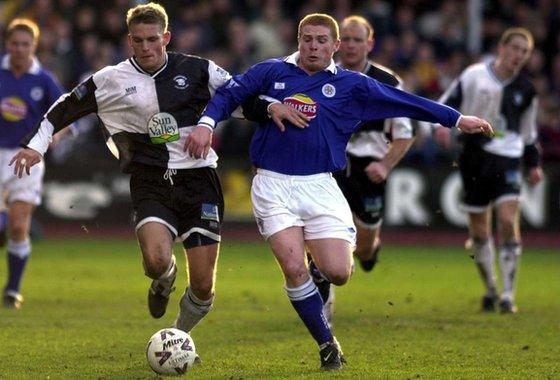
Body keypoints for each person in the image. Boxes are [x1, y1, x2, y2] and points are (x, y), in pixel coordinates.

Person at [185, 13, 493, 370]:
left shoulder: (352, 85)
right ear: (298, 41)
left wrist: (455, 119)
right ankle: (327, 344)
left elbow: (404, 101)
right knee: (292, 267)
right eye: (307, 39)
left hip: (320, 185)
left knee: (339, 273)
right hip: (272, 184)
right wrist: (207, 124)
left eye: (321, 41)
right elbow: (229, 93)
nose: (313, 46)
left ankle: (321, 276)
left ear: (335, 46)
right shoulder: (271, 71)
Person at [9, 3, 272, 337]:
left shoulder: (199, 70)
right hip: (150, 180)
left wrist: (272, 108)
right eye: (138, 41)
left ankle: (178, 335)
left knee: (203, 286)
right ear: (129, 41)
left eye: (152, 40)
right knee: (156, 262)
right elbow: (64, 108)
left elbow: (240, 99)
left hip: (199, 179)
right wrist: (36, 145)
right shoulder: (109, 80)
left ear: (166, 37)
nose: (146, 47)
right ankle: (164, 279)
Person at [308, 15, 417, 327]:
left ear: (370, 43)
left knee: (365, 243)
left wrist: (385, 164)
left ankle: (368, 253)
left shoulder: (388, 81)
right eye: (348, 39)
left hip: (370, 167)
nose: (352, 45)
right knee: (320, 231)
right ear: (339, 43)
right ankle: (323, 302)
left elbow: (405, 133)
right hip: (329, 165)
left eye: (359, 40)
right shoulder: (321, 74)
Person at [0, 18, 73, 309]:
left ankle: (12, 290)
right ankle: (1, 224)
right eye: (15, 43)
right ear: (7, 45)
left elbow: (65, 114)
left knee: (21, 226)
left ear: (34, 45)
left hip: (26, 154)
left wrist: (55, 135)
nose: (20, 49)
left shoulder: (44, 79)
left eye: (26, 44)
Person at [435, 27, 543, 314]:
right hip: (474, 157)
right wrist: (441, 127)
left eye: (525, 51)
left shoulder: (526, 89)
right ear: (502, 48)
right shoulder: (474, 75)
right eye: (515, 48)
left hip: (508, 158)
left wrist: (533, 164)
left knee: (508, 221)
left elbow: (528, 133)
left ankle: (508, 294)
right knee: (480, 232)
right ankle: (492, 289)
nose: (518, 55)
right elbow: (448, 102)